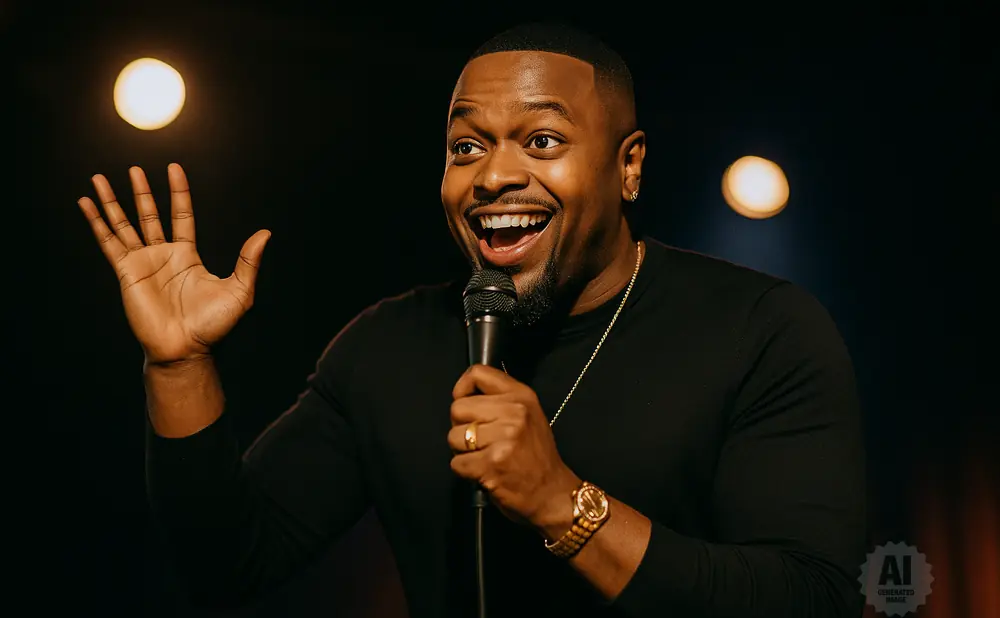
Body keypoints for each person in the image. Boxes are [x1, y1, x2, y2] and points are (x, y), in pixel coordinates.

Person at [77, 22, 867, 618]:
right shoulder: (387, 349)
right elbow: (229, 564)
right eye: (465, 147)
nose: (495, 175)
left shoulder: (761, 329)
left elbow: (811, 597)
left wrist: (565, 504)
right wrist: (178, 368)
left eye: (543, 140)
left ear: (628, 166)